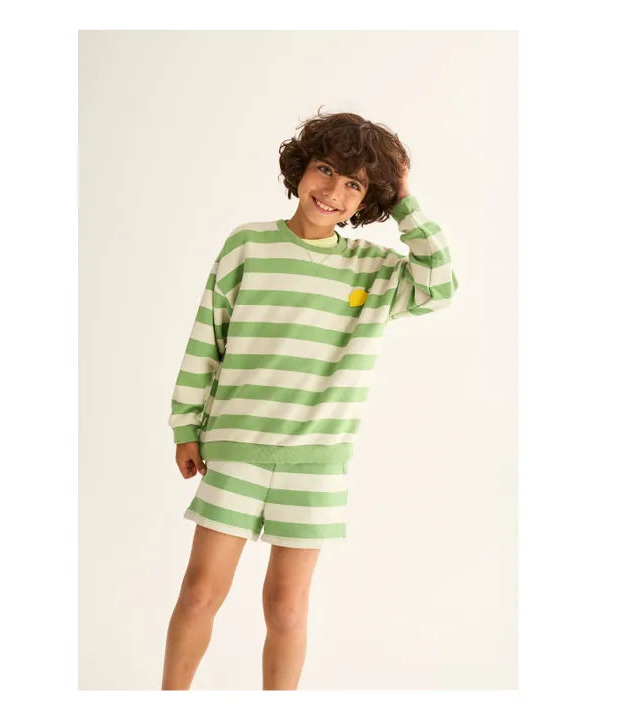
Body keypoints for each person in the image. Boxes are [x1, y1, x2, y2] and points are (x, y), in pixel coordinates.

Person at [161, 107, 459, 690]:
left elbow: (440, 284)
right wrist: (185, 426)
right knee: (199, 593)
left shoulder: (373, 270)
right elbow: (206, 339)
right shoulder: (248, 245)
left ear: (369, 199)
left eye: (355, 185)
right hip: (237, 447)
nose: (334, 192)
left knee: (287, 607)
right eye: (326, 170)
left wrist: (404, 200)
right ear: (301, 168)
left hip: (317, 462)